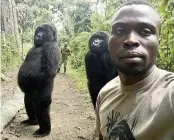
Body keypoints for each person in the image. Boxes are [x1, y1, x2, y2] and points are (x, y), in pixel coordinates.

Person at [95, 0, 174, 140]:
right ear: (109, 43)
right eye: (119, 31)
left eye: (145, 31)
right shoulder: (105, 93)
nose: (130, 40)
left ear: (158, 44)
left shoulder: (169, 92)